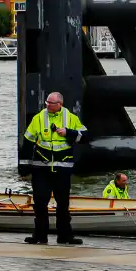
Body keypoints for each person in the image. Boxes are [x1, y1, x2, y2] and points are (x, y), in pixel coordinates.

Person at [20, 91, 87, 245]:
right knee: (40, 203)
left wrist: (68, 132)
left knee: (63, 205)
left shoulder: (71, 118)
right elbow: (27, 142)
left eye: (51, 103)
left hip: (62, 169)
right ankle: (39, 236)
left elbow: (85, 137)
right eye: (47, 103)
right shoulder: (39, 118)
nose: (48, 105)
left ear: (60, 104)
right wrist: (24, 167)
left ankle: (65, 236)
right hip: (41, 169)